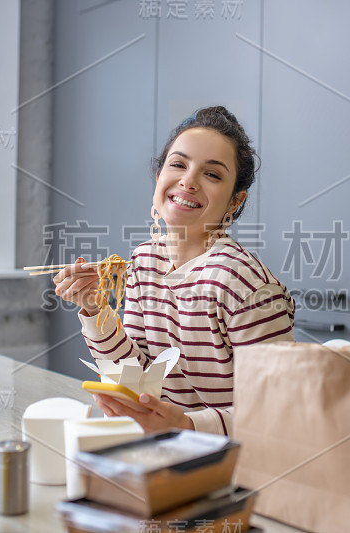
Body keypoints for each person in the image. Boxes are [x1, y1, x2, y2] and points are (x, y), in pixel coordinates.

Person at [53, 106, 295, 435]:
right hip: (165, 449)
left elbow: (281, 411)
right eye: (178, 164)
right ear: (158, 177)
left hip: (235, 465)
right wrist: (95, 309)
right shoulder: (144, 261)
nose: (188, 181)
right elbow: (139, 376)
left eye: (212, 174)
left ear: (235, 201)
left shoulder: (246, 284)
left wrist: (187, 425)